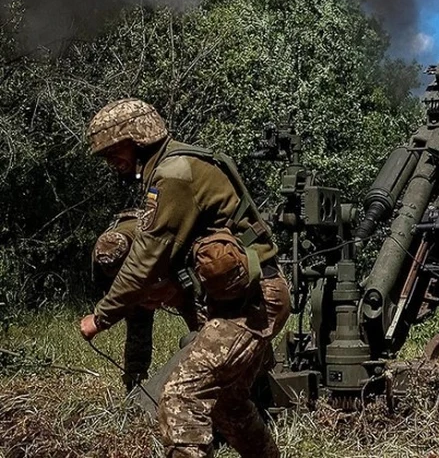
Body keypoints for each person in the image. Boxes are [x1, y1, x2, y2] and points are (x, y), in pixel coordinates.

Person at [79, 98, 291, 458]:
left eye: (113, 151)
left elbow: (147, 255)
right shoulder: (176, 164)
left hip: (253, 301)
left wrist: (100, 317)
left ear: (136, 139)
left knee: (180, 396)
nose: (111, 162)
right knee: (229, 404)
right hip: (252, 296)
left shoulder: (174, 174)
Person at [91, 210, 205, 393]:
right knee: (137, 326)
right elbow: (110, 289)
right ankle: (134, 384)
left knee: (202, 325)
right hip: (140, 282)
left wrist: (166, 289)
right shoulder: (102, 252)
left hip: (172, 271)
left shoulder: (152, 237)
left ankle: (214, 368)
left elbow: (182, 263)